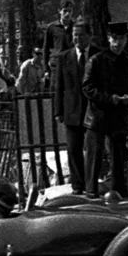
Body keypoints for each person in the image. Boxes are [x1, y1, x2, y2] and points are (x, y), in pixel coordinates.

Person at [82, 21, 128, 197]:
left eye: (121, 38)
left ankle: (118, 193)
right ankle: (91, 193)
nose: (118, 42)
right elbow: (87, 87)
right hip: (98, 117)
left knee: (118, 159)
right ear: (108, 38)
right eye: (114, 38)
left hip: (118, 116)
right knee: (94, 158)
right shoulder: (96, 61)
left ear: (126, 39)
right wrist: (108, 98)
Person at [52, 19, 93, 193]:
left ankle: (92, 183)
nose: (78, 39)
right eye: (75, 35)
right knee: (73, 149)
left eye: (81, 35)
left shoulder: (98, 55)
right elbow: (59, 86)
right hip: (72, 110)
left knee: (93, 149)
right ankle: (78, 185)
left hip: (93, 111)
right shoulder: (64, 57)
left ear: (90, 36)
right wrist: (58, 111)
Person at [42, 0, 77, 67]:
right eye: (65, 11)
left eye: (70, 11)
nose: (67, 14)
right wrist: (46, 68)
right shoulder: (52, 27)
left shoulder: (76, 27)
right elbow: (46, 49)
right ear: (59, 11)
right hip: (56, 64)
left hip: (72, 64)